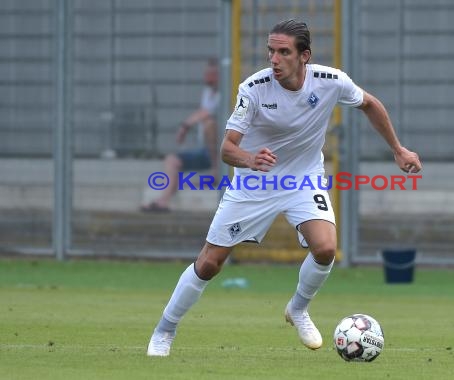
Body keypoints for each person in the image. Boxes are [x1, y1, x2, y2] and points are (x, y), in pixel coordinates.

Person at [146, 19, 422, 356]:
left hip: (303, 180)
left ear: (304, 55)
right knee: (209, 264)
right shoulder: (254, 88)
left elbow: (370, 104)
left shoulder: (331, 81)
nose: (274, 59)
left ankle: (298, 308)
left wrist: (398, 149)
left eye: (283, 52)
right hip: (254, 183)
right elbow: (227, 149)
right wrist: (249, 159)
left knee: (325, 248)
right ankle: (165, 330)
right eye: (271, 51)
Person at [141, 59, 220, 212]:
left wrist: (185, 126)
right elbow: (204, 111)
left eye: (212, 74)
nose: (208, 77)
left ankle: (217, 171)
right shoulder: (208, 92)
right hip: (205, 151)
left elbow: (205, 113)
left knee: (210, 125)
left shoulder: (228, 92)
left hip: (225, 153)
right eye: (207, 73)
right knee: (172, 160)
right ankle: (162, 202)